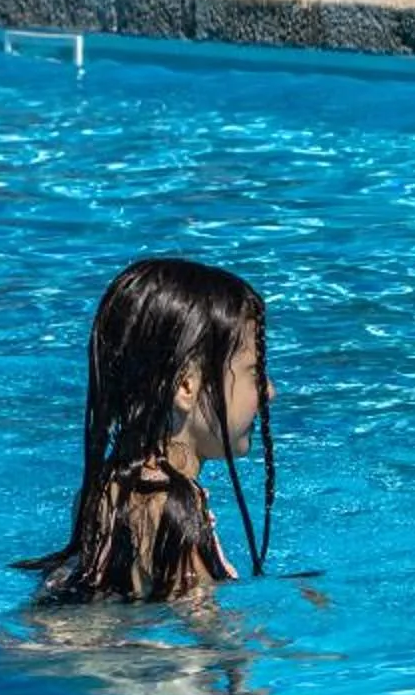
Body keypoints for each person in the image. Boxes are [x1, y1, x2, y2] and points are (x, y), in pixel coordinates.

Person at [19, 258, 276, 604]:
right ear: (185, 386)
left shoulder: (105, 487)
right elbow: (211, 633)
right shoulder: (169, 505)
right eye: (254, 373)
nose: (270, 391)